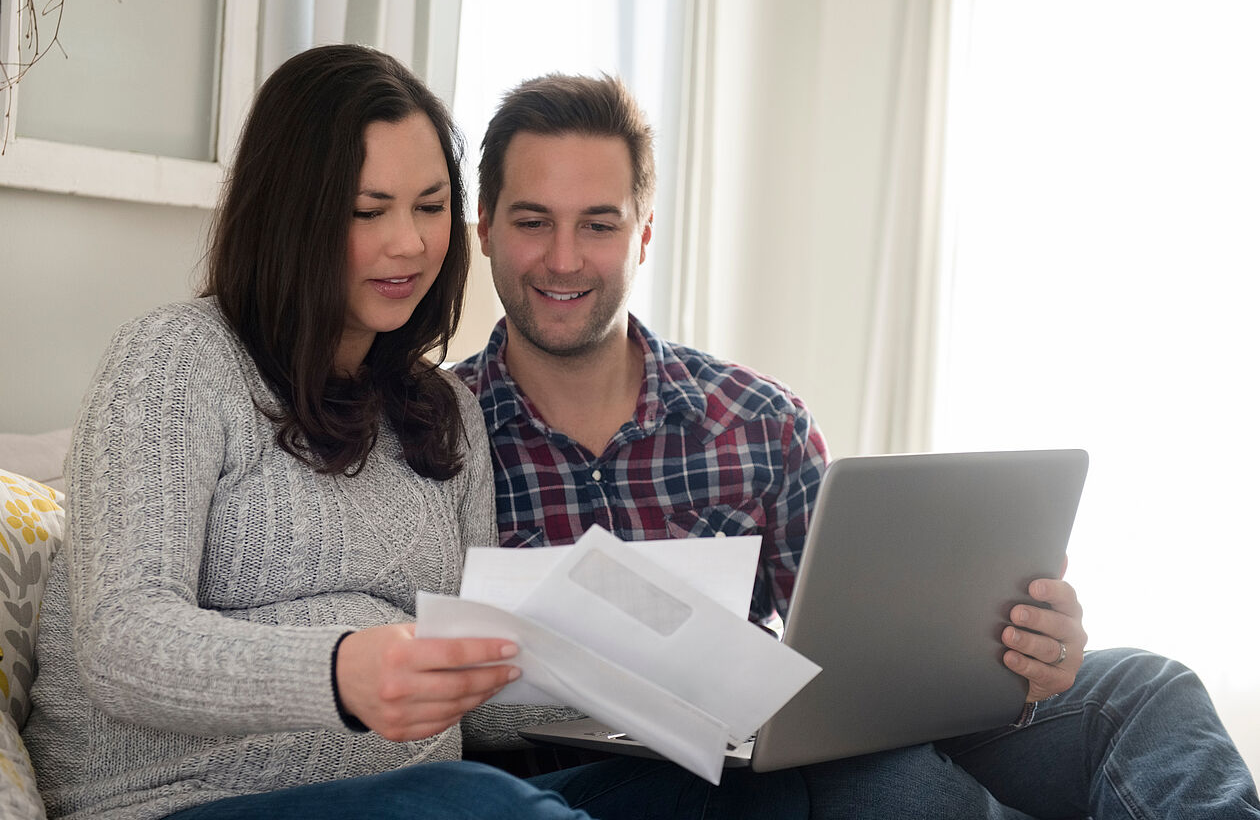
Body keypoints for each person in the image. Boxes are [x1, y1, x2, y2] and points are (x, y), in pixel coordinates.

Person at [453, 72, 1260, 817]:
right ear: (486, 227)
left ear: (644, 234)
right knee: (879, 783)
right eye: (533, 222)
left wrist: (1022, 658)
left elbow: (852, 664)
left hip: (776, 741)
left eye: (599, 224)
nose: (564, 259)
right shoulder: (433, 435)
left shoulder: (758, 420)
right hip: (614, 781)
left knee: (1147, 687)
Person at [20, 45, 594, 820]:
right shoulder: (175, 359)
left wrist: (646, 683)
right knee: (489, 805)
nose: (411, 243)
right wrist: (337, 670)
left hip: (425, 796)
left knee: (780, 788)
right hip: (179, 804)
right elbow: (119, 642)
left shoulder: (445, 410)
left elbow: (482, 712)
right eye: (368, 211)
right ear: (291, 214)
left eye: (430, 207)